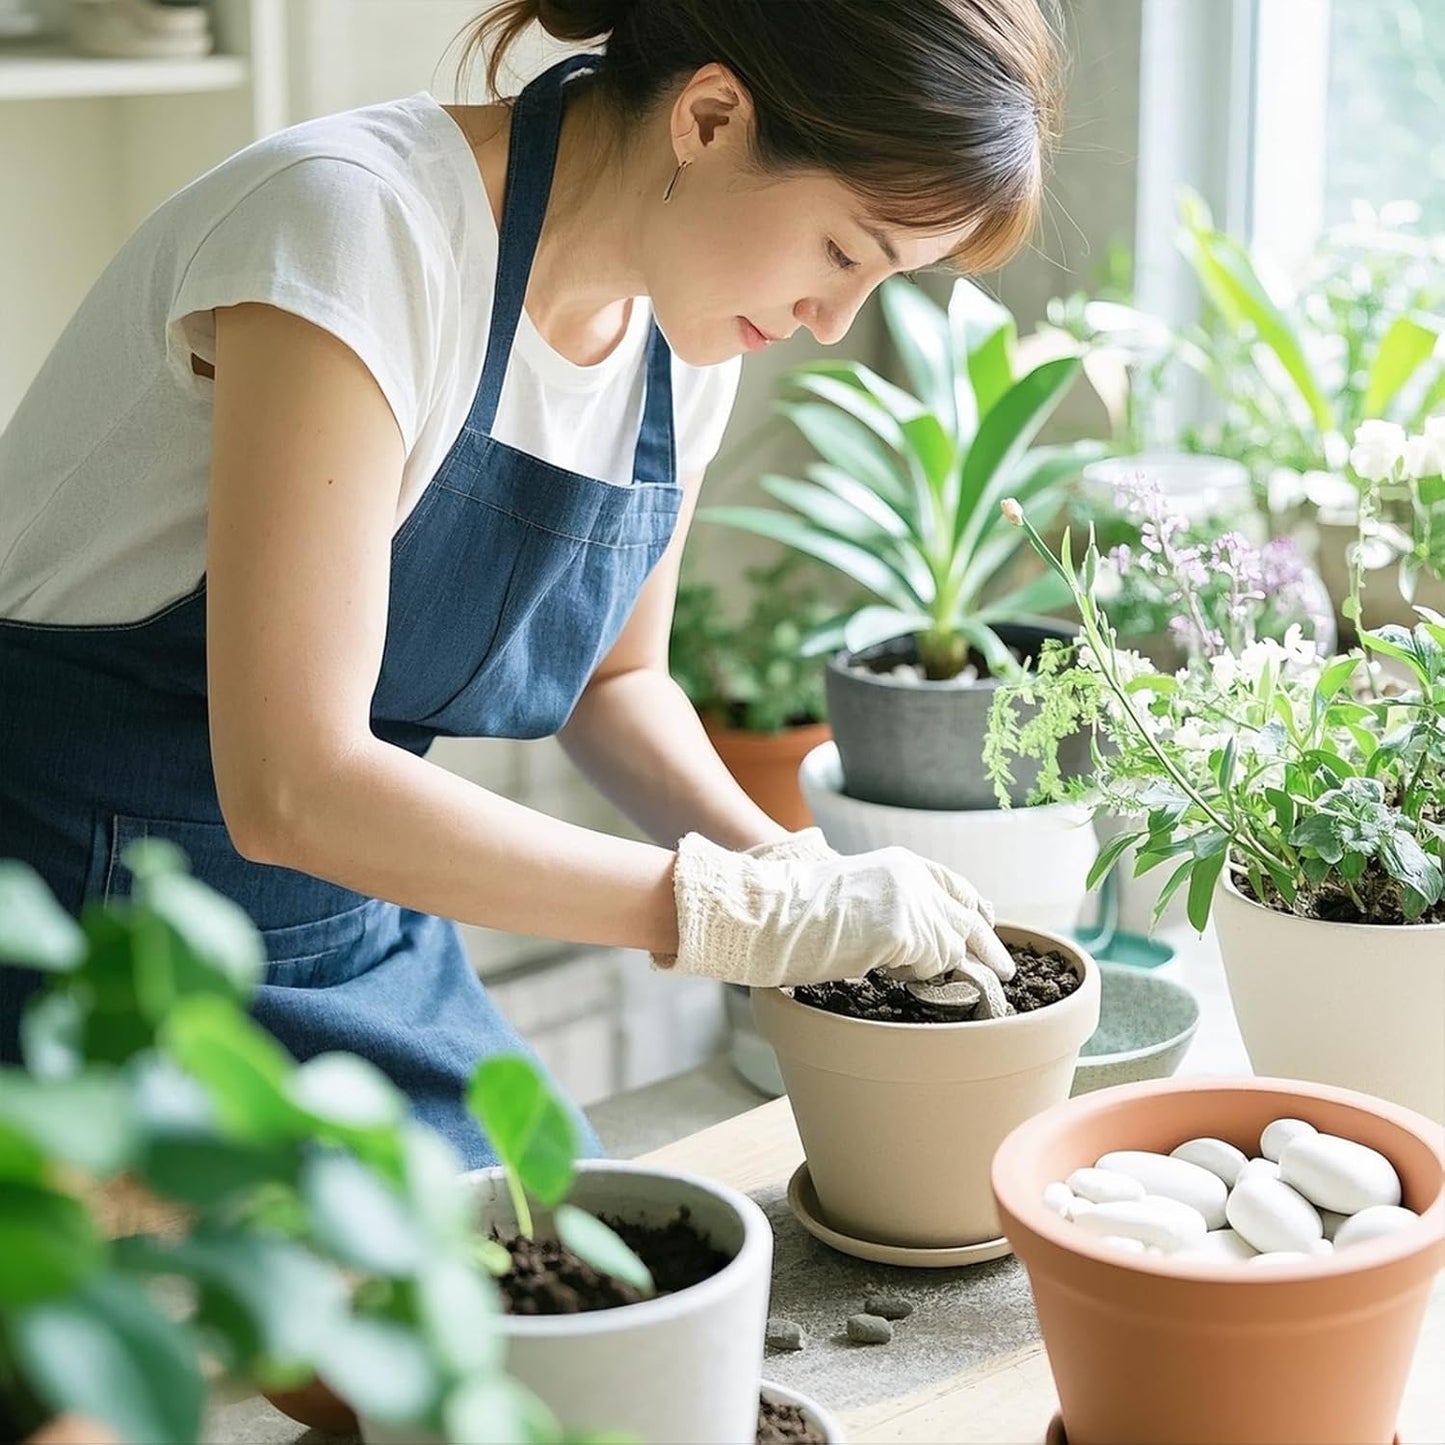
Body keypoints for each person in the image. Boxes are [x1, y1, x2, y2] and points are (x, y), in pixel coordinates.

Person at [0, 0, 1061, 1164]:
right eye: (842, 251)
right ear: (708, 117)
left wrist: (783, 863)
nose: (829, 320)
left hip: (357, 920)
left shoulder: (681, 335)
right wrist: (723, 913)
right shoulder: (354, 229)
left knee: (571, 1258)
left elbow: (618, 677)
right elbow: (291, 784)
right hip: (80, 927)